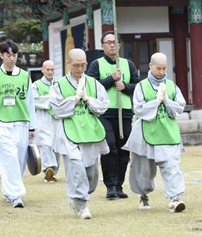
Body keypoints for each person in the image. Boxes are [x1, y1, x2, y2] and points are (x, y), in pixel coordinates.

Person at [123, 53, 187, 212]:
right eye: (158, 68)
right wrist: (155, 102)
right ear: (150, 66)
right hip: (146, 133)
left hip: (167, 133)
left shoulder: (172, 86)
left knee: (172, 166)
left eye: (164, 68)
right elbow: (138, 109)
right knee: (144, 169)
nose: (161, 72)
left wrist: (167, 101)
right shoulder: (141, 86)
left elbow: (180, 107)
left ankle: (175, 198)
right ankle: (143, 195)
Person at [50, 48, 110, 220]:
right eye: (76, 65)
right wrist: (74, 99)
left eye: (83, 65)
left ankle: (78, 198)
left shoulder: (93, 83)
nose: (80, 69)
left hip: (90, 131)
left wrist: (87, 99)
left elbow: (103, 105)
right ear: (68, 63)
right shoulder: (59, 85)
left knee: (91, 174)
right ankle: (82, 204)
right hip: (70, 132)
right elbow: (57, 109)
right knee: (76, 167)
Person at [86, 31, 139, 199]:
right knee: (110, 147)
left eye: (114, 42)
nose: (111, 45)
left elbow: (138, 87)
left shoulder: (128, 64)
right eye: (108, 42)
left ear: (119, 45)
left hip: (124, 113)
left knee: (124, 150)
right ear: (102, 46)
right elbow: (91, 87)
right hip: (105, 113)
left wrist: (126, 87)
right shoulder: (96, 64)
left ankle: (119, 185)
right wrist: (111, 79)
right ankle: (110, 185)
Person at [0, 40, 36, 208]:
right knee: (10, 157)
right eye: (8, 55)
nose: (11, 58)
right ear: (1, 56)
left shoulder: (24, 75)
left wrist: (32, 127)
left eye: (14, 55)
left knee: (20, 160)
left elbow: (30, 102)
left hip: (21, 122)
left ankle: (8, 190)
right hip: (2, 123)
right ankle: (17, 196)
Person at [32, 60, 60, 182]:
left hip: (56, 119)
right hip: (43, 118)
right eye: (47, 69)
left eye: (52, 69)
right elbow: (34, 101)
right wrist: (51, 100)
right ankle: (48, 168)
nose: (50, 72)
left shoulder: (59, 84)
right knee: (45, 144)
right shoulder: (35, 85)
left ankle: (53, 170)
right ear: (42, 70)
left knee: (56, 146)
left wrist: (50, 100)